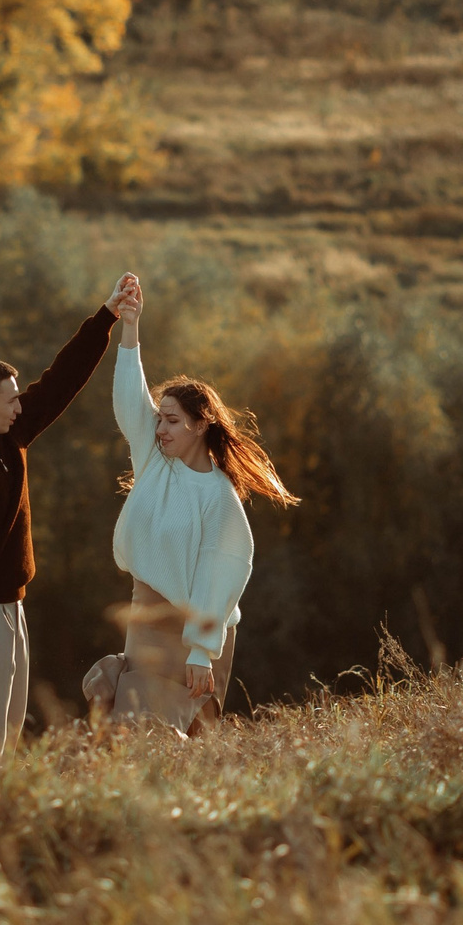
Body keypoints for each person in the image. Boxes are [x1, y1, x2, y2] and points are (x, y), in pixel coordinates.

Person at [0, 276, 138, 764]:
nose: (21, 405)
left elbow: (60, 379)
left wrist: (106, 316)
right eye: (11, 399)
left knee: (5, 749)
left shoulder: (8, 438)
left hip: (11, 611)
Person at [83, 276, 298, 733]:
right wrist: (130, 326)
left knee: (179, 739)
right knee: (133, 731)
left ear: (201, 425)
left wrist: (202, 652)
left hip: (195, 632)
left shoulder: (218, 497)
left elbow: (222, 576)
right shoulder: (154, 462)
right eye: (159, 419)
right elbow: (128, 403)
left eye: (173, 421)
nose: (160, 429)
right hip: (146, 620)